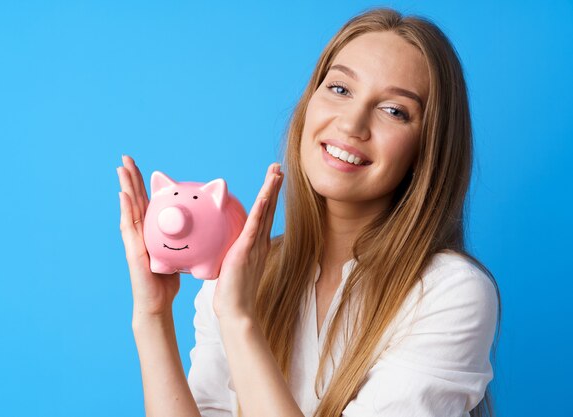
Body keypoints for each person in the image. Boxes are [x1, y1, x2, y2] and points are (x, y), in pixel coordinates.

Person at [116, 7, 501, 417]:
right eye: (339, 88)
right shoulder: (240, 273)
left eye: (394, 110)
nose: (352, 123)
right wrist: (153, 316)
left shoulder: (451, 293)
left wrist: (239, 318)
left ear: (427, 149)